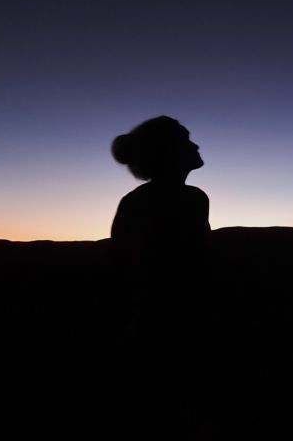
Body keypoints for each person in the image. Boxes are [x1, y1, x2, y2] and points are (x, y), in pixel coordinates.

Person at [108, 115, 212, 438]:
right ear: (168, 151)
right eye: (186, 140)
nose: (196, 145)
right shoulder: (192, 199)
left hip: (145, 324)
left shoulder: (134, 201)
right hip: (171, 325)